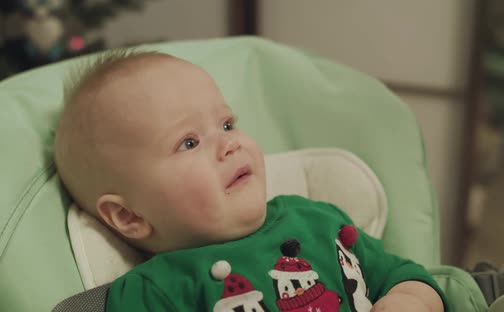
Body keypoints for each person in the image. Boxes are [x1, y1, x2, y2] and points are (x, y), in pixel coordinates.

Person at [54, 49, 449, 312]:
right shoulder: (159, 289)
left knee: (458, 286)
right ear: (128, 216)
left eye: (226, 123)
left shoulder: (318, 221)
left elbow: (403, 275)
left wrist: (409, 300)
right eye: (188, 142)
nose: (229, 143)